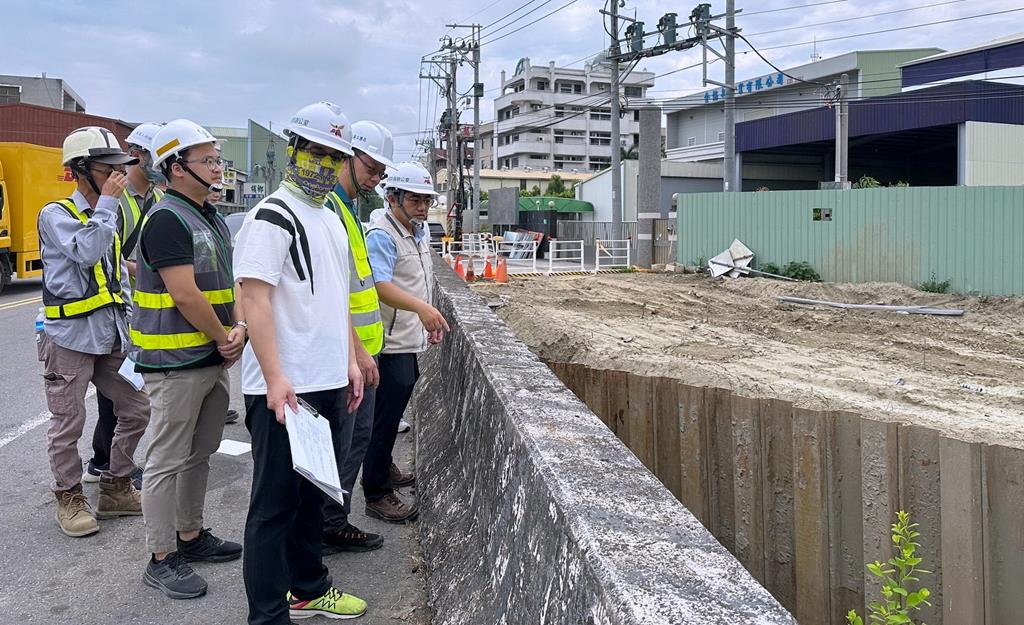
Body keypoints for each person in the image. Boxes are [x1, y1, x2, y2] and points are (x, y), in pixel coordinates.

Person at [235, 101, 368, 624]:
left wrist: (352, 360)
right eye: (313, 150)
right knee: (273, 507)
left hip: (328, 378)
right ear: (293, 149)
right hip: (287, 387)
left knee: (314, 497)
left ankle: (310, 588)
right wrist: (273, 377)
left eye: (332, 155)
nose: (322, 163)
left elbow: (335, 299)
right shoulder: (272, 214)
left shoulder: (332, 216)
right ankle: (267, 615)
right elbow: (254, 298)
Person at [131, 119, 245, 599]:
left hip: (208, 357)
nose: (218, 168)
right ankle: (161, 557)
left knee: (200, 454)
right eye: (208, 161)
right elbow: (184, 293)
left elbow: (229, 280)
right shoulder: (166, 219)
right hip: (175, 363)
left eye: (218, 159)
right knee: (166, 459)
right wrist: (225, 337)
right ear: (176, 168)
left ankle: (191, 536)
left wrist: (238, 328)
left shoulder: (210, 216)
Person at [37, 126, 151, 537]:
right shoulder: (56, 215)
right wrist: (106, 205)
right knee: (69, 421)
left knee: (137, 408)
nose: (118, 178)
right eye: (109, 169)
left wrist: (132, 323)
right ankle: (68, 496)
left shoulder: (111, 211)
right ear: (81, 170)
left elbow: (115, 270)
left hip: (109, 334)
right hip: (67, 337)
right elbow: (86, 252)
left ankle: (117, 486)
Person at [362, 162, 450, 523]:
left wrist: (423, 319)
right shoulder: (382, 234)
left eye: (426, 201)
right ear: (392, 197)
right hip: (389, 342)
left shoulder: (416, 231)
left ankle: (384, 470)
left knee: (393, 411)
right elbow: (380, 285)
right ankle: (377, 492)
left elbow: (417, 279)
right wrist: (422, 309)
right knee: (382, 420)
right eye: (414, 199)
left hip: (407, 338)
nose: (422, 207)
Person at [321, 120, 392, 553]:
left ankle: (332, 521)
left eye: (381, 172)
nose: (375, 178)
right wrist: (358, 351)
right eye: (371, 167)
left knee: (354, 439)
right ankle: (329, 525)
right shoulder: (331, 208)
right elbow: (333, 290)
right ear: (348, 157)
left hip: (360, 349)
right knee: (344, 441)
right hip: (349, 353)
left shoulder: (349, 208)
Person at [85, 121, 164, 489]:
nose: (162, 164)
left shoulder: (157, 199)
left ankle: (109, 458)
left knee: (130, 386)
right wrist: (153, 269)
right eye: (157, 156)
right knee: (116, 390)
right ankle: (105, 461)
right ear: (140, 156)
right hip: (119, 306)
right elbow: (107, 257)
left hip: (144, 306)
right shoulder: (117, 201)